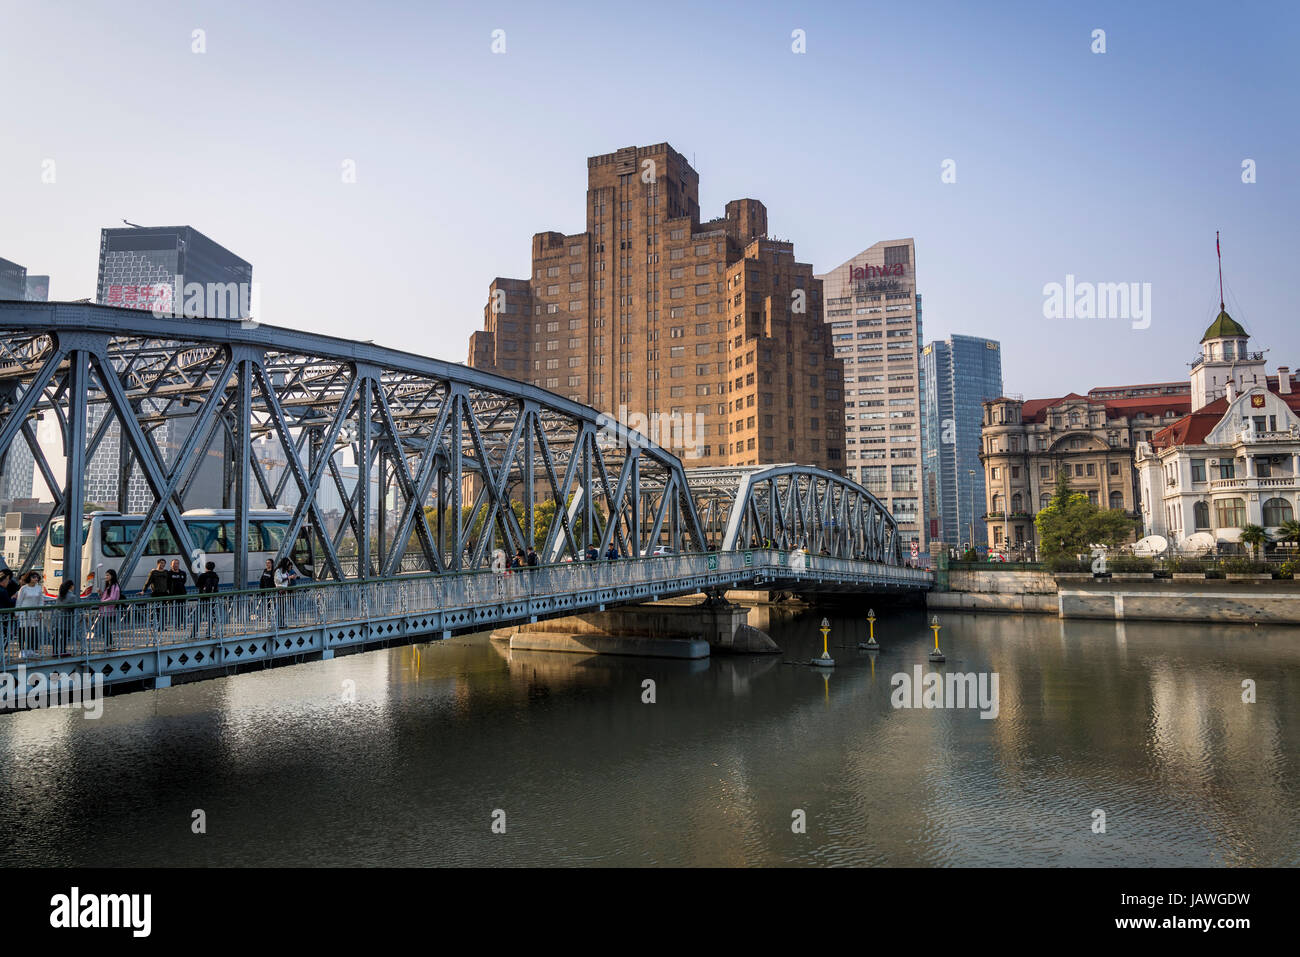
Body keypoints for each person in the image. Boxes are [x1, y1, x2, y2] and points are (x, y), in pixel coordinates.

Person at [15, 571, 45, 658]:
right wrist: (17, 613)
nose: (36, 579)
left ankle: (32, 649)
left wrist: (40, 612)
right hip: (24, 613)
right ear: (29, 578)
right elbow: (19, 601)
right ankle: (22, 650)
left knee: (33, 631)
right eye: (34, 577)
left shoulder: (39, 588)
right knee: (23, 632)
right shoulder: (23, 588)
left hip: (34, 613)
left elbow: (40, 601)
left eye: (37, 577)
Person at [98, 569, 121, 651]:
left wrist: (102, 602)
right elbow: (107, 597)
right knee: (105, 627)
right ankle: (109, 644)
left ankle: (110, 644)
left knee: (105, 627)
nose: (106, 577)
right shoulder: (109, 585)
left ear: (112, 576)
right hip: (105, 610)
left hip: (108, 610)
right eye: (106, 575)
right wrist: (101, 594)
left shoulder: (114, 586)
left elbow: (113, 598)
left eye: (108, 575)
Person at [196, 561, 220, 637]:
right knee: (211, 616)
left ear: (206, 567)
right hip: (212, 598)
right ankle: (209, 632)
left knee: (199, 615)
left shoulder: (203, 576)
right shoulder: (216, 576)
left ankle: (194, 633)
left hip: (203, 598)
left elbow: (198, 585)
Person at [54, 580, 78, 656]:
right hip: (67, 619)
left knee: (57, 635)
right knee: (65, 635)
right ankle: (63, 650)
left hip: (58, 617)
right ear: (71, 586)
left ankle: (55, 651)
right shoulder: (72, 596)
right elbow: (74, 607)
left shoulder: (60, 595)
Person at [274, 557, 298, 627]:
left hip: (285, 591)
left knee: (283, 608)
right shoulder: (278, 571)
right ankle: (279, 623)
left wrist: (290, 579)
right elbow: (279, 580)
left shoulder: (285, 571)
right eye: (287, 564)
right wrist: (289, 578)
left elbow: (287, 581)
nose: (288, 566)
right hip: (280, 591)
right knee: (279, 607)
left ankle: (282, 622)